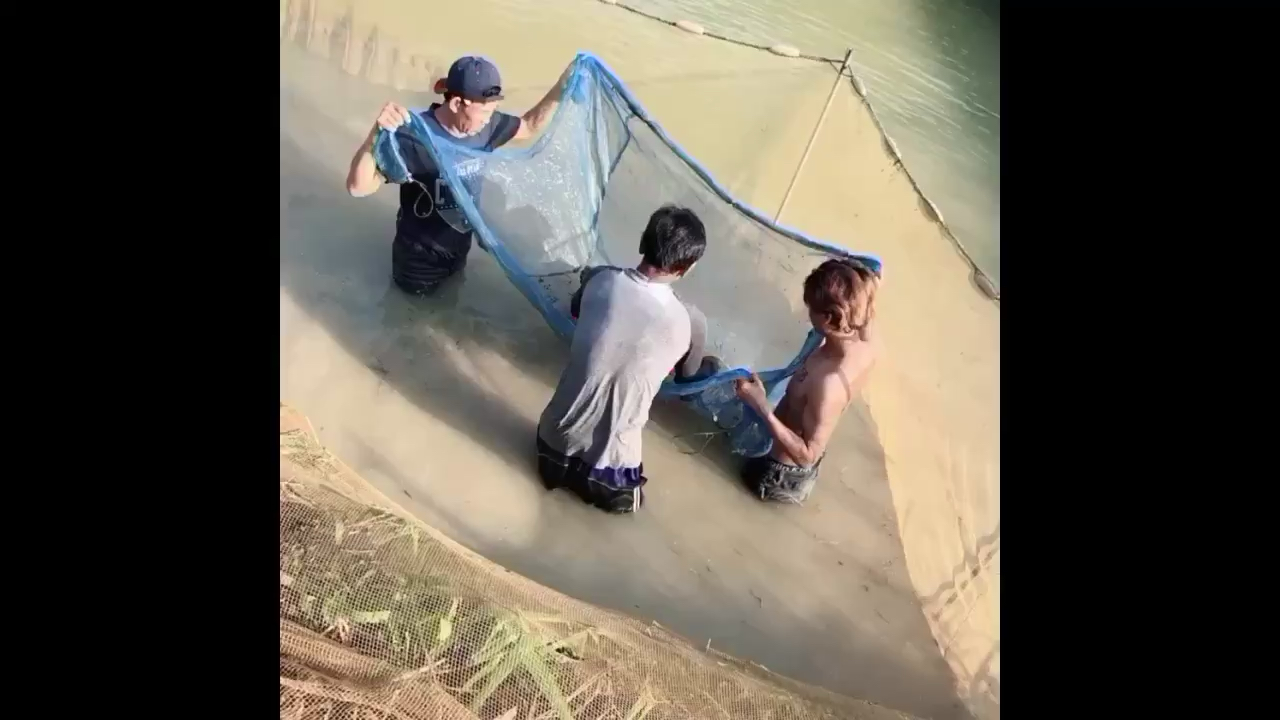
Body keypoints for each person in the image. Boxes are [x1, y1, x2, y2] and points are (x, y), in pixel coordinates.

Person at [345, 55, 572, 296]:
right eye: (484, 112)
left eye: (493, 110)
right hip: (418, 263)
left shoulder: (488, 127)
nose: (488, 120)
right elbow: (358, 188)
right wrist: (375, 136)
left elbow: (528, 127)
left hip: (459, 251)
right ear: (456, 104)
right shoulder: (413, 137)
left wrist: (562, 86)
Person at [537, 205, 710, 514]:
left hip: (550, 449)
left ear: (642, 243)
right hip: (609, 476)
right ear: (688, 267)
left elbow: (578, 314)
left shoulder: (598, 279)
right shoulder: (692, 323)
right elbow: (688, 385)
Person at [735, 258, 879, 504]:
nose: (807, 312)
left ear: (827, 318)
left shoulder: (829, 383)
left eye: (811, 308)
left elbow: (807, 456)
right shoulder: (868, 339)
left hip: (778, 474)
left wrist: (761, 406)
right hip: (796, 448)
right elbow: (874, 283)